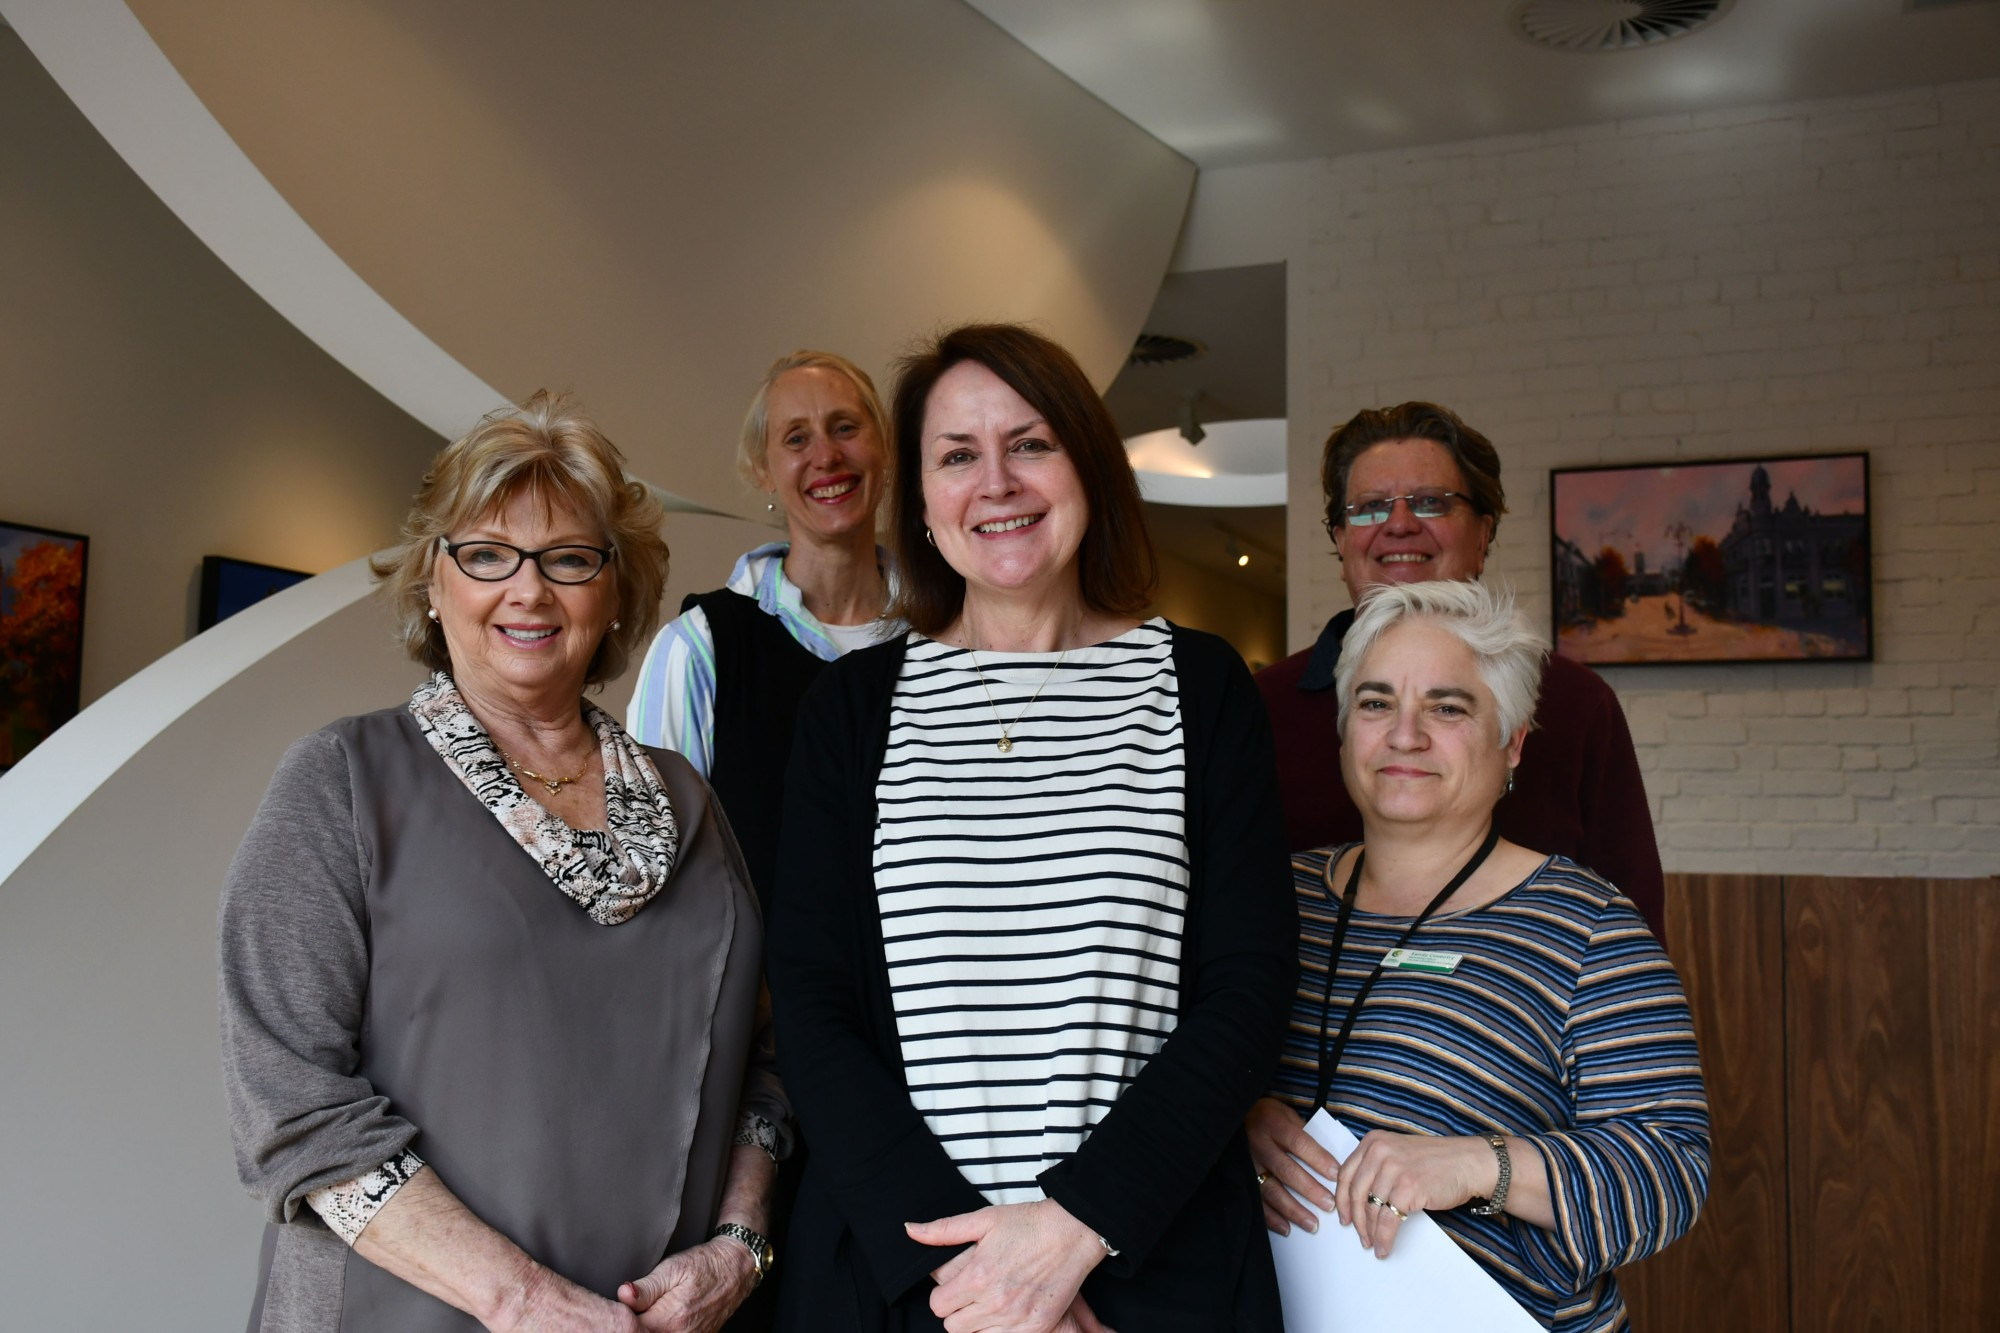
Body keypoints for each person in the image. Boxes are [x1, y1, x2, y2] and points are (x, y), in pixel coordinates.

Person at [767, 324, 1297, 1332]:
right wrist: (979, 1281)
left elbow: (1246, 986)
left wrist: (1072, 1230)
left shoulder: (1201, 688)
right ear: (919, 503)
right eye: (957, 456)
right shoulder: (849, 712)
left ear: (1086, 466)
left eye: (1031, 443)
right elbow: (812, 1004)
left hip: (1148, 1266)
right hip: (907, 1279)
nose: (996, 482)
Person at [221, 392, 786, 1332]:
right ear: (433, 584)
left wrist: (739, 1246)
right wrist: (524, 1302)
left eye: (569, 558)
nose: (528, 590)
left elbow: (764, 1072)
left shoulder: (691, 800)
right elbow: (292, 1108)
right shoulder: (340, 782)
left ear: (615, 593)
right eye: (485, 555)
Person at [1248, 580, 1709, 1333]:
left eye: (1448, 706)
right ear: (1343, 732)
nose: (1405, 733)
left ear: (1513, 743)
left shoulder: (1587, 925)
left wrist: (1477, 1166)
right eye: (1374, 702)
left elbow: (1672, 1170)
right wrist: (1232, 1115)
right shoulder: (1272, 901)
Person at [1256, 401, 1667, 939]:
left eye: (1430, 503)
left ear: (1482, 534)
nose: (1399, 525)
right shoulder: (1259, 705)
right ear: (1340, 539)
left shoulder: (1572, 701)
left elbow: (1631, 918)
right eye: (1369, 507)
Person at [626, 350, 901, 913]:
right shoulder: (700, 649)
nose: (826, 455)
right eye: (796, 439)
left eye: (845, 427)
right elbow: (659, 874)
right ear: (763, 470)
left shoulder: (952, 637)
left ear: (886, 448)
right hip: (772, 998)